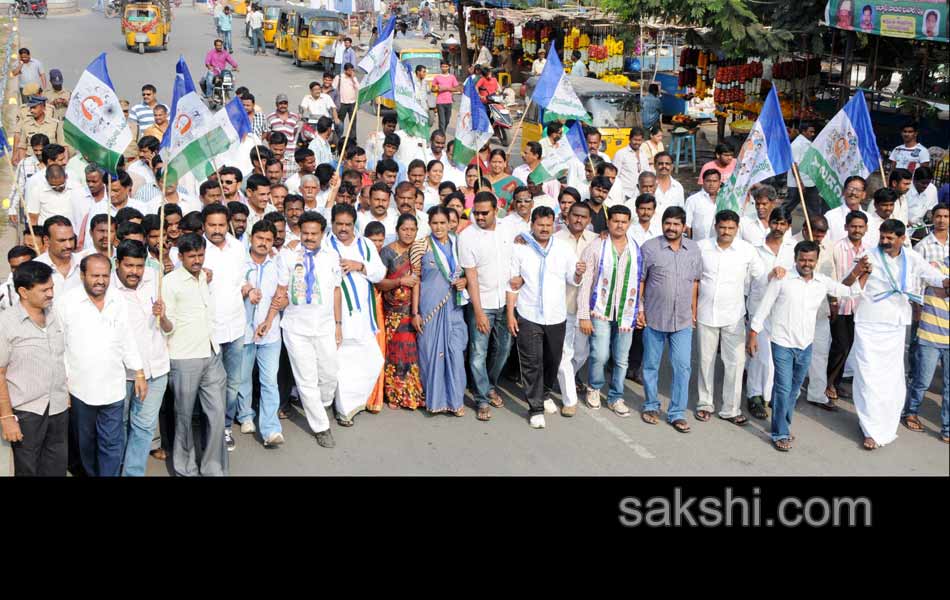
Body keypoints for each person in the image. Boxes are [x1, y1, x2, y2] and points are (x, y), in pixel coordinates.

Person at [748, 240, 867, 451]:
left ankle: (779, 413)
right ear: (795, 259)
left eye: (811, 260)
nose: (806, 263)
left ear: (816, 261)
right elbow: (764, 306)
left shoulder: (822, 282)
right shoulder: (782, 279)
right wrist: (753, 334)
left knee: (793, 390)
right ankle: (780, 432)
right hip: (782, 342)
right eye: (802, 259)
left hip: (805, 344)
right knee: (784, 387)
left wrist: (863, 273)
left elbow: (848, 291)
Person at [852, 219, 949, 449]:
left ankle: (884, 425)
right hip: (869, 323)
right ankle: (869, 428)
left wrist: (946, 281)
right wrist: (858, 272)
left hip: (895, 326)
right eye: (882, 237)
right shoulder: (869, 255)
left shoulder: (911, 257)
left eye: (890, 238)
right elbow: (852, 282)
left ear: (902, 239)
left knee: (890, 380)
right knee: (868, 378)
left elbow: (933, 276)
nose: (884, 241)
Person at [58, 254, 145, 476]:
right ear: (82, 275)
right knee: (85, 444)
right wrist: (63, 384)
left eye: (105, 276)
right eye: (95, 275)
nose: (100, 281)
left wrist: (139, 372)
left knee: (111, 443)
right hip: (80, 389)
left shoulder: (117, 300)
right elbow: (60, 347)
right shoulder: (66, 303)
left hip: (113, 388)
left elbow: (127, 339)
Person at [506, 206, 583, 427]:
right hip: (528, 314)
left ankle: (545, 392)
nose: (544, 229)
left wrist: (578, 273)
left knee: (553, 360)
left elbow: (572, 278)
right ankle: (535, 408)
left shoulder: (563, 248)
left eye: (549, 225)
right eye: (540, 225)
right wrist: (511, 314)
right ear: (532, 224)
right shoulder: (520, 248)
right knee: (532, 362)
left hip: (556, 315)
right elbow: (512, 284)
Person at [162, 233, 229, 475]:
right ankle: (185, 469)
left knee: (218, 414)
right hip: (183, 357)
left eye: (201, 255)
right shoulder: (169, 282)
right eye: (192, 256)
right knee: (184, 418)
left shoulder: (204, 276)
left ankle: (213, 468)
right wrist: (161, 317)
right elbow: (167, 327)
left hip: (211, 353)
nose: (197, 260)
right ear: (180, 257)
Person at [694, 210, 765, 425]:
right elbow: (693, 279)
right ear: (716, 226)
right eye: (722, 227)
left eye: (730, 228)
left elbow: (761, 279)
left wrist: (778, 275)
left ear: (737, 229)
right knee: (706, 360)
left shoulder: (747, 250)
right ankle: (705, 403)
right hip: (706, 313)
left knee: (734, 362)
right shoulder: (701, 247)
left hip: (734, 315)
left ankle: (731, 409)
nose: (726, 232)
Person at [278, 211, 341, 448]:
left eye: (314, 233)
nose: (309, 237)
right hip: (296, 327)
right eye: (305, 233)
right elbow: (281, 288)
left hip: (324, 326)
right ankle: (321, 427)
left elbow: (336, 291)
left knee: (329, 374)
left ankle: (322, 405)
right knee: (306, 379)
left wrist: (338, 324)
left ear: (323, 233)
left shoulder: (331, 256)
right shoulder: (287, 255)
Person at [0, 261, 68, 476]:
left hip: (58, 407)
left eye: (52, 288)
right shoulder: (6, 323)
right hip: (26, 412)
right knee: (27, 470)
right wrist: (6, 418)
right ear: (23, 292)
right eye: (44, 290)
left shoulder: (54, 315)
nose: (50, 294)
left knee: (56, 467)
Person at [638, 206, 702, 432]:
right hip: (654, 318)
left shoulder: (693, 249)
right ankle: (651, 405)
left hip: (683, 320)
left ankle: (676, 413)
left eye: (676, 224)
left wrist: (694, 309)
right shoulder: (650, 248)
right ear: (662, 223)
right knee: (651, 365)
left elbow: (695, 281)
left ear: (684, 226)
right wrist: (640, 309)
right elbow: (641, 280)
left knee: (682, 366)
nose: (671, 228)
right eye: (668, 223)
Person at [111, 240, 172, 476]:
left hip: (156, 369)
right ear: (118, 263)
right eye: (129, 265)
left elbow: (168, 328)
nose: (135, 271)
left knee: (144, 426)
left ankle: (133, 472)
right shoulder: (108, 289)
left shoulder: (154, 282)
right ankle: (116, 468)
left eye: (139, 265)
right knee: (120, 426)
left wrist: (163, 316)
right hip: (122, 373)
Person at [575, 205, 641, 415]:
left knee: (621, 359)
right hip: (600, 310)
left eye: (624, 221)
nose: (620, 225)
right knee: (600, 354)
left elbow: (639, 282)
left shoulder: (635, 248)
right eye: (615, 221)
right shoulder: (596, 246)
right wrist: (584, 315)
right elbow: (586, 283)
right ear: (609, 222)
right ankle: (594, 387)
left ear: (629, 223)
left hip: (626, 312)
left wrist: (640, 309)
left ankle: (616, 396)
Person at [325, 204, 386, 426]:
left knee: (371, 359)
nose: (343, 229)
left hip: (363, 315)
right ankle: (344, 409)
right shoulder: (325, 245)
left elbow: (380, 273)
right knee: (342, 363)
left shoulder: (366, 244)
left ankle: (355, 401)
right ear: (332, 223)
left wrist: (359, 265)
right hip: (336, 315)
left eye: (347, 225)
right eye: (338, 224)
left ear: (354, 225)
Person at [459, 191, 516, 421]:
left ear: (496, 210)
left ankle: (489, 383)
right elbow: (471, 277)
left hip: (507, 302)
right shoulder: (467, 237)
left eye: (485, 213)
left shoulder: (508, 229)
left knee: (504, 349)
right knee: (478, 353)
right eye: (476, 213)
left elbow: (518, 259)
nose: (480, 217)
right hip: (482, 304)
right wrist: (479, 311)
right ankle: (482, 398)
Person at [410, 206, 469, 415]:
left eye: (443, 223)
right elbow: (415, 280)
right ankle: (435, 401)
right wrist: (415, 312)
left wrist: (464, 281)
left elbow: (468, 272)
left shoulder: (458, 244)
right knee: (431, 353)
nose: (439, 227)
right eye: (434, 223)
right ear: (429, 224)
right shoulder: (420, 246)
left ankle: (455, 402)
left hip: (454, 306)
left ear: (450, 223)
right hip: (429, 308)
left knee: (454, 352)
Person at [201, 204, 250, 452]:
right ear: (204, 226)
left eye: (221, 225)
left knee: (232, 383)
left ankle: (226, 426)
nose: (217, 230)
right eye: (212, 225)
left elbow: (240, 280)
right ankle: (211, 429)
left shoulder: (238, 248)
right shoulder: (196, 250)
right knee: (211, 385)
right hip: (209, 331)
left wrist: (249, 289)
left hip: (236, 326)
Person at [237, 220, 288, 448]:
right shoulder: (239, 262)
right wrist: (246, 291)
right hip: (244, 332)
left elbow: (283, 296)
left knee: (269, 381)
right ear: (251, 238)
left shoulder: (278, 263)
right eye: (260, 238)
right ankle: (245, 415)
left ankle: (271, 429)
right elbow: (230, 289)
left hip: (270, 334)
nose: (264, 243)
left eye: (268, 240)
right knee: (243, 378)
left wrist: (268, 321)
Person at [744, 207, 797, 419]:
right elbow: (750, 280)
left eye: (783, 224)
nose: (778, 227)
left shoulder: (794, 249)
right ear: (769, 223)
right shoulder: (755, 249)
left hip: (783, 311)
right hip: (759, 309)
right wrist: (770, 275)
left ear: (788, 226)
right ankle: (754, 396)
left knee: (778, 359)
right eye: (775, 223)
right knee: (759, 356)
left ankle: (770, 395)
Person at [903, 205, 949, 443]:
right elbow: (915, 281)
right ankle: (911, 411)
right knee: (922, 376)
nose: (941, 220)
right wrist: (917, 309)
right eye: (938, 216)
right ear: (933, 218)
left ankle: (947, 427)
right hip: (929, 320)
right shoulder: (922, 247)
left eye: (946, 216)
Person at [376, 213, 425, 410]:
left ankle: (409, 393)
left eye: (412, 229)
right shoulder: (387, 252)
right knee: (393, 353)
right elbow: (379, 282)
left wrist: (415, 312)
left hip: (411, 311)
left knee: (410, 353)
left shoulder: (418, 251)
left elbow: (420, 281)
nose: (408, 233)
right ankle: (393, 395)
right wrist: (399, 281)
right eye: (404, 229)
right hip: (391, 311)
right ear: (397, 230)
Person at [35, 215, 82, 304]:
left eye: (71, 239)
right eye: (62, 240)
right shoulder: (35, 268)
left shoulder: (84, 264)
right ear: (46, 240)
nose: (68, 245)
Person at [784, 122, 822, 217]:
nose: (813, 134)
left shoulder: (809, 143)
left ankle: (813, 228)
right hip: (797, 183)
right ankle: (778, 220)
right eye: (810, 132)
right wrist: (799, 182)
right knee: (789, 206)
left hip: (810, 181)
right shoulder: (797, 144)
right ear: (803, 132)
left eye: (813, 132)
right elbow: (794, 164)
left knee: (813, 207)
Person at [15, 96, 65, 165]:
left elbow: (63, 146)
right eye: (30, 108)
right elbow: (22, 147)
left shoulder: (55, 124)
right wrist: (23, 165)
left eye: (34, 107)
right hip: (32, 163)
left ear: (43, 107)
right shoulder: (25, 124)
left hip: (50, 163)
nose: (31, 110)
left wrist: (64, 164)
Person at [684, 169, 722, 241]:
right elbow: (687, 225)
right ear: (703, 182)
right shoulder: (692, 200)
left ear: (719, 182)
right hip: (699, 244)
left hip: (720, 244)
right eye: (708, 181)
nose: (711, 184)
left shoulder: (725, 199)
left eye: (715, 181)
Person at [612, 128, 646, 202]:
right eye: (635, 140)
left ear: (642, 140)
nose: (637, 142)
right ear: (629, 139)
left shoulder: (643, 154)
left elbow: (647, 172)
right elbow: (614, 175)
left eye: (639, 140)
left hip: (640, 194)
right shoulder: (621, 153)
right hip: (625, 194)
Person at [431, 61, 461, 133]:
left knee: (447, 120)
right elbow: (432, 89)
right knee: (442, 121)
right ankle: (442, 135)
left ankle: (441, 132)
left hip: (449, 101)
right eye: (443, 66)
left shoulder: (452, 77)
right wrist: (437, 89)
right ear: (440, 67)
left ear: (448, 67)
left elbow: (457, 88)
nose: (444, 68)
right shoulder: (437, 77)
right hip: (440, 102)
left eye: (446, 66)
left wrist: (446, 88)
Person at [333, 63, 360, 138]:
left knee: (353, 122)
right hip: (342, 103)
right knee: (340, 122)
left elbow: (358, 88)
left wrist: (353, 78)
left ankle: (353, 138)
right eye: (349, 70)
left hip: (352, 103)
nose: (350, 72)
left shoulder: (354, 78)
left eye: (352, 70)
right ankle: (338, 137)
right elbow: (334, 89)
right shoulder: (339, 77)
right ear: (345, 70)